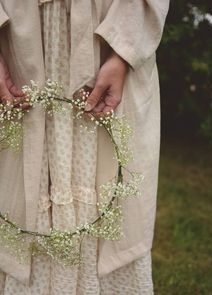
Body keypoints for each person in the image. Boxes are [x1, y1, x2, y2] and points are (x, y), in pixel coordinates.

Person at [0, 0, 169, 294]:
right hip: (22, 42)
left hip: (106, 42)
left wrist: (122, 53)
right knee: (24, 188)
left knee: (107, 186)